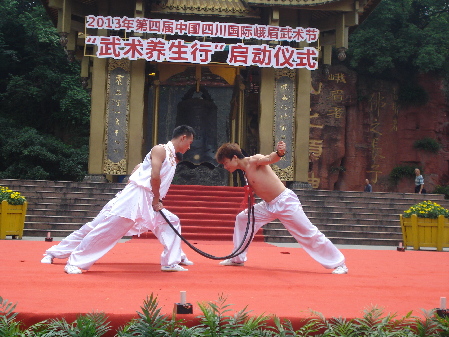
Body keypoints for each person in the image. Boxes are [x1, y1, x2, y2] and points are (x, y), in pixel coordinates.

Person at [41, 125, 196, 274]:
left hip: (147, 199)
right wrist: (156, 199)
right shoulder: (160, 149)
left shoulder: (170, 156)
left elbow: (141, 168)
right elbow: (153, 176)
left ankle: (171, 261)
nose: (189, 147)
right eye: (189, 143)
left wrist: (154, 198)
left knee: (171, 221)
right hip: (135, 197)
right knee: (105, 228)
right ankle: (70, 261)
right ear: (183, 138)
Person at [215, 141, 348, 274]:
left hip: (285, 202)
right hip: (268, 205)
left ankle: (339, 263)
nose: (225, 167)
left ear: (235, 158)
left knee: (308, 233)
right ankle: (237, 258)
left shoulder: (254, 160)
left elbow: (269, 159)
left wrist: (279, 153)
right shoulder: (244, 171)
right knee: (243, 218)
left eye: (225, 163)